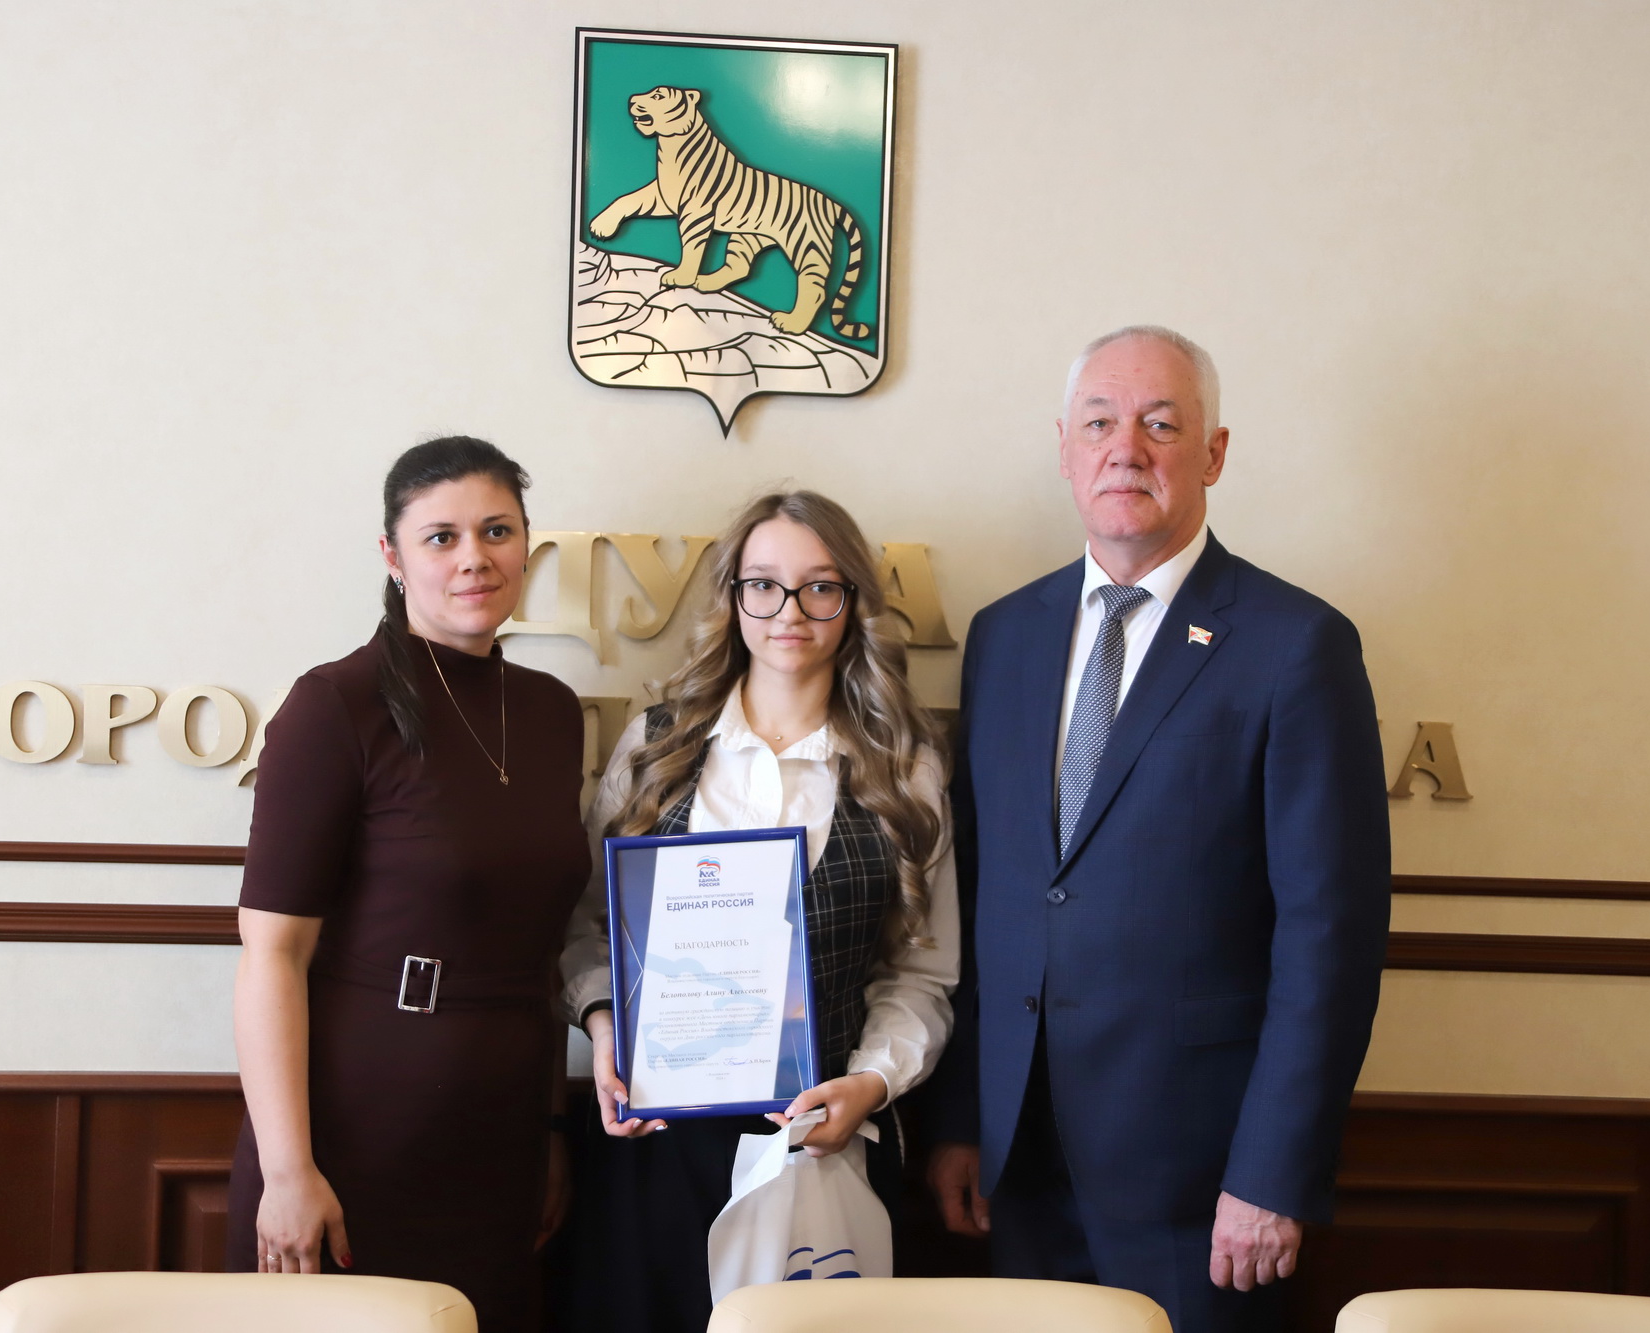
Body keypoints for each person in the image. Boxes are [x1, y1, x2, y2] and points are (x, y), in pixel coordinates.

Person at [923, 327, 1392, 1332]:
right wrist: (962, 1119)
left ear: (1213, 453)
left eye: (1160, 425)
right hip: (1021, 1158)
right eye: (1098, 423)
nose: (1124, 448)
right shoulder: (1004, 635)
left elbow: (1331, 940)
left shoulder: (1295, 645)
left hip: (1203, 1180)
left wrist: (1272, 1172)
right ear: (1064, 448)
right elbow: (985, 895)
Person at [559, 491, 959, 1333]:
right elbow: (587, 928)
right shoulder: (656, 745)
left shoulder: (905, 766)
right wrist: (604, 1028)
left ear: (853, 601)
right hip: (658, 1140)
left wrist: (871, 1081)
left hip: (826, 1141)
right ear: (733, 596)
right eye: (765, 584)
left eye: (821, 586)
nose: (791, 611)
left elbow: (922, 974)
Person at [225, 437, 591, 1325]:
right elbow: (271, 954)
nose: (474, 557)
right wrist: (287, 1170)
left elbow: (542, 951)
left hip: (502, 1128)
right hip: (355, 1129)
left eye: (497, 530)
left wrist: (550, 1131)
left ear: (527, 545)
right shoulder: (333, 705)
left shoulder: (551, 710)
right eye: (441, 536)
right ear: (392, 556)